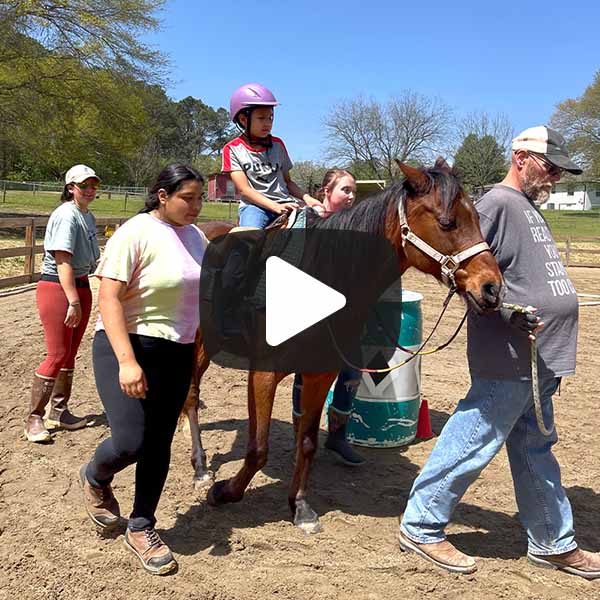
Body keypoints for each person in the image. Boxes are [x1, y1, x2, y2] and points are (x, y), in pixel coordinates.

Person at [398, 126, 600, 579]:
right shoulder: (494, 205)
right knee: (474, 435)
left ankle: (552, 540)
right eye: (549, 166)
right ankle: (421, 524)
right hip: (511, 353)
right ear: (521, 157)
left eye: (560, 171)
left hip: (541, 354)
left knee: (535, 447)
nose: (555, 176)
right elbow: (467, 272)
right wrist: (506, 311)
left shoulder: (525, 207)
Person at [79, 164, 207, 576]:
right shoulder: (135, 232)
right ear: (162, 195)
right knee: (132, 440)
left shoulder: (197, 237)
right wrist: (127, 361)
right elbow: (110, 299)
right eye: (188, 198)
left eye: (200, 198)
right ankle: (96, 475)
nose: (196, 206)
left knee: (159, 442)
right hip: (128, 345)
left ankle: (141, 525)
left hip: (177, 351)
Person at [292, 169, 365, 466]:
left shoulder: (357, 227)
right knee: (305, 373)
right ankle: (301, 437)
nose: (350, 197)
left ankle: (337, 436)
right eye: (345, 190)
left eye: (353, 192)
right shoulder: (307, 220)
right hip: (308, 310)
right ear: (326, 190)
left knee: (352, 370)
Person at [25, 164, 101, 443]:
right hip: (59, 288)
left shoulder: (88, 217)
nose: (90, 190)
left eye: (94, 185)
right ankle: (34, 417)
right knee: (56, 353)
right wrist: (72, 301)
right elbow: (62, 261)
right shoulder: (66, 216)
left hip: (81, 285)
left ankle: (58, 410)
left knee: (69, 353)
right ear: (71, 188)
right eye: (85, 186)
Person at [222, 82, 322, 228]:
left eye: (270, 118)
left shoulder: (278, 145)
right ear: (243, 119)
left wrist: (308, 198)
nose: (268, 123)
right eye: (261, 118)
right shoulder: (232, 149)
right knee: (249, 237)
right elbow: (244, 189)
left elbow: (288, 182)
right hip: (255, 207)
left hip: (286, 202)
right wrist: (274, 206)